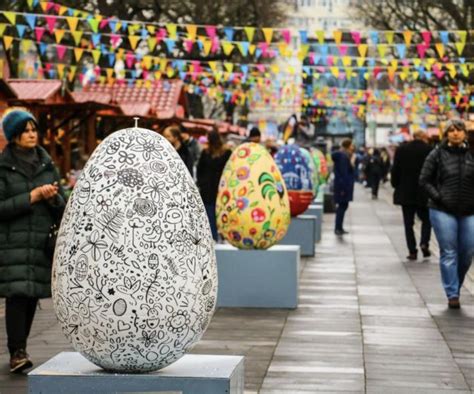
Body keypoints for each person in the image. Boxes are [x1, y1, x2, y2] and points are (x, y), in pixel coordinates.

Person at [0, 108, 66, 373]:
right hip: (12, 242)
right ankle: (17, 352)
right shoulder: (3, 167)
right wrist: (31, 197)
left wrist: (53, 198)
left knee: (31, 297)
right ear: (14, 135)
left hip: (39, 242)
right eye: (25, 130)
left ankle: (21, 347)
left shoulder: (47, 164)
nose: (31, 134)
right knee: (17, 296)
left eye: (33, 129)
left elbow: (63, 208)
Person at [419, 119, 474, 309]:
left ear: (465, 134)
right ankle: (452, 294)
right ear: (446, 134)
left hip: (469, 210)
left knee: (467, 252)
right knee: (449, 251)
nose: (455, 133)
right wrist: (439, 197)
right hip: (442, 209)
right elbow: (424, 180)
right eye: (451, 131)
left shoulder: (472, 154)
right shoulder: (437, 154)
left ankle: (455, 285)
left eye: (459, 130)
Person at [391, 131, 432, 260]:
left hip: (406, 192)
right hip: (424, 192)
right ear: (424, 137)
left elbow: (395, 170)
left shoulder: (401, 149)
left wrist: (396, 185)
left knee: (408, 224)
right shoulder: (429, 150)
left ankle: (412, 250)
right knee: (427, 220)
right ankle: (424, 243)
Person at [196, 131, 231, 241]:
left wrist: (201, 182)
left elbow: (199, 169)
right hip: (219, 189)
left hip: (210, 188)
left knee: (211, 214)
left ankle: (216, 237)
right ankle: (218, 236)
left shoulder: (206, 153)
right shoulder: (226, 153)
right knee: (219, 213)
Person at [331, 138, 355, 235]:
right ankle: (338, 228)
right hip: (343, 187)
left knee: (343, 206)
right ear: (348, 146)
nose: (353, 147)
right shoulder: (343, 157)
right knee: (342, 206)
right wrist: (344, 188)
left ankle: (339, 227)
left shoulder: (343, 156)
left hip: (342, 186)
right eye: (351, 145)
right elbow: (343, 173)